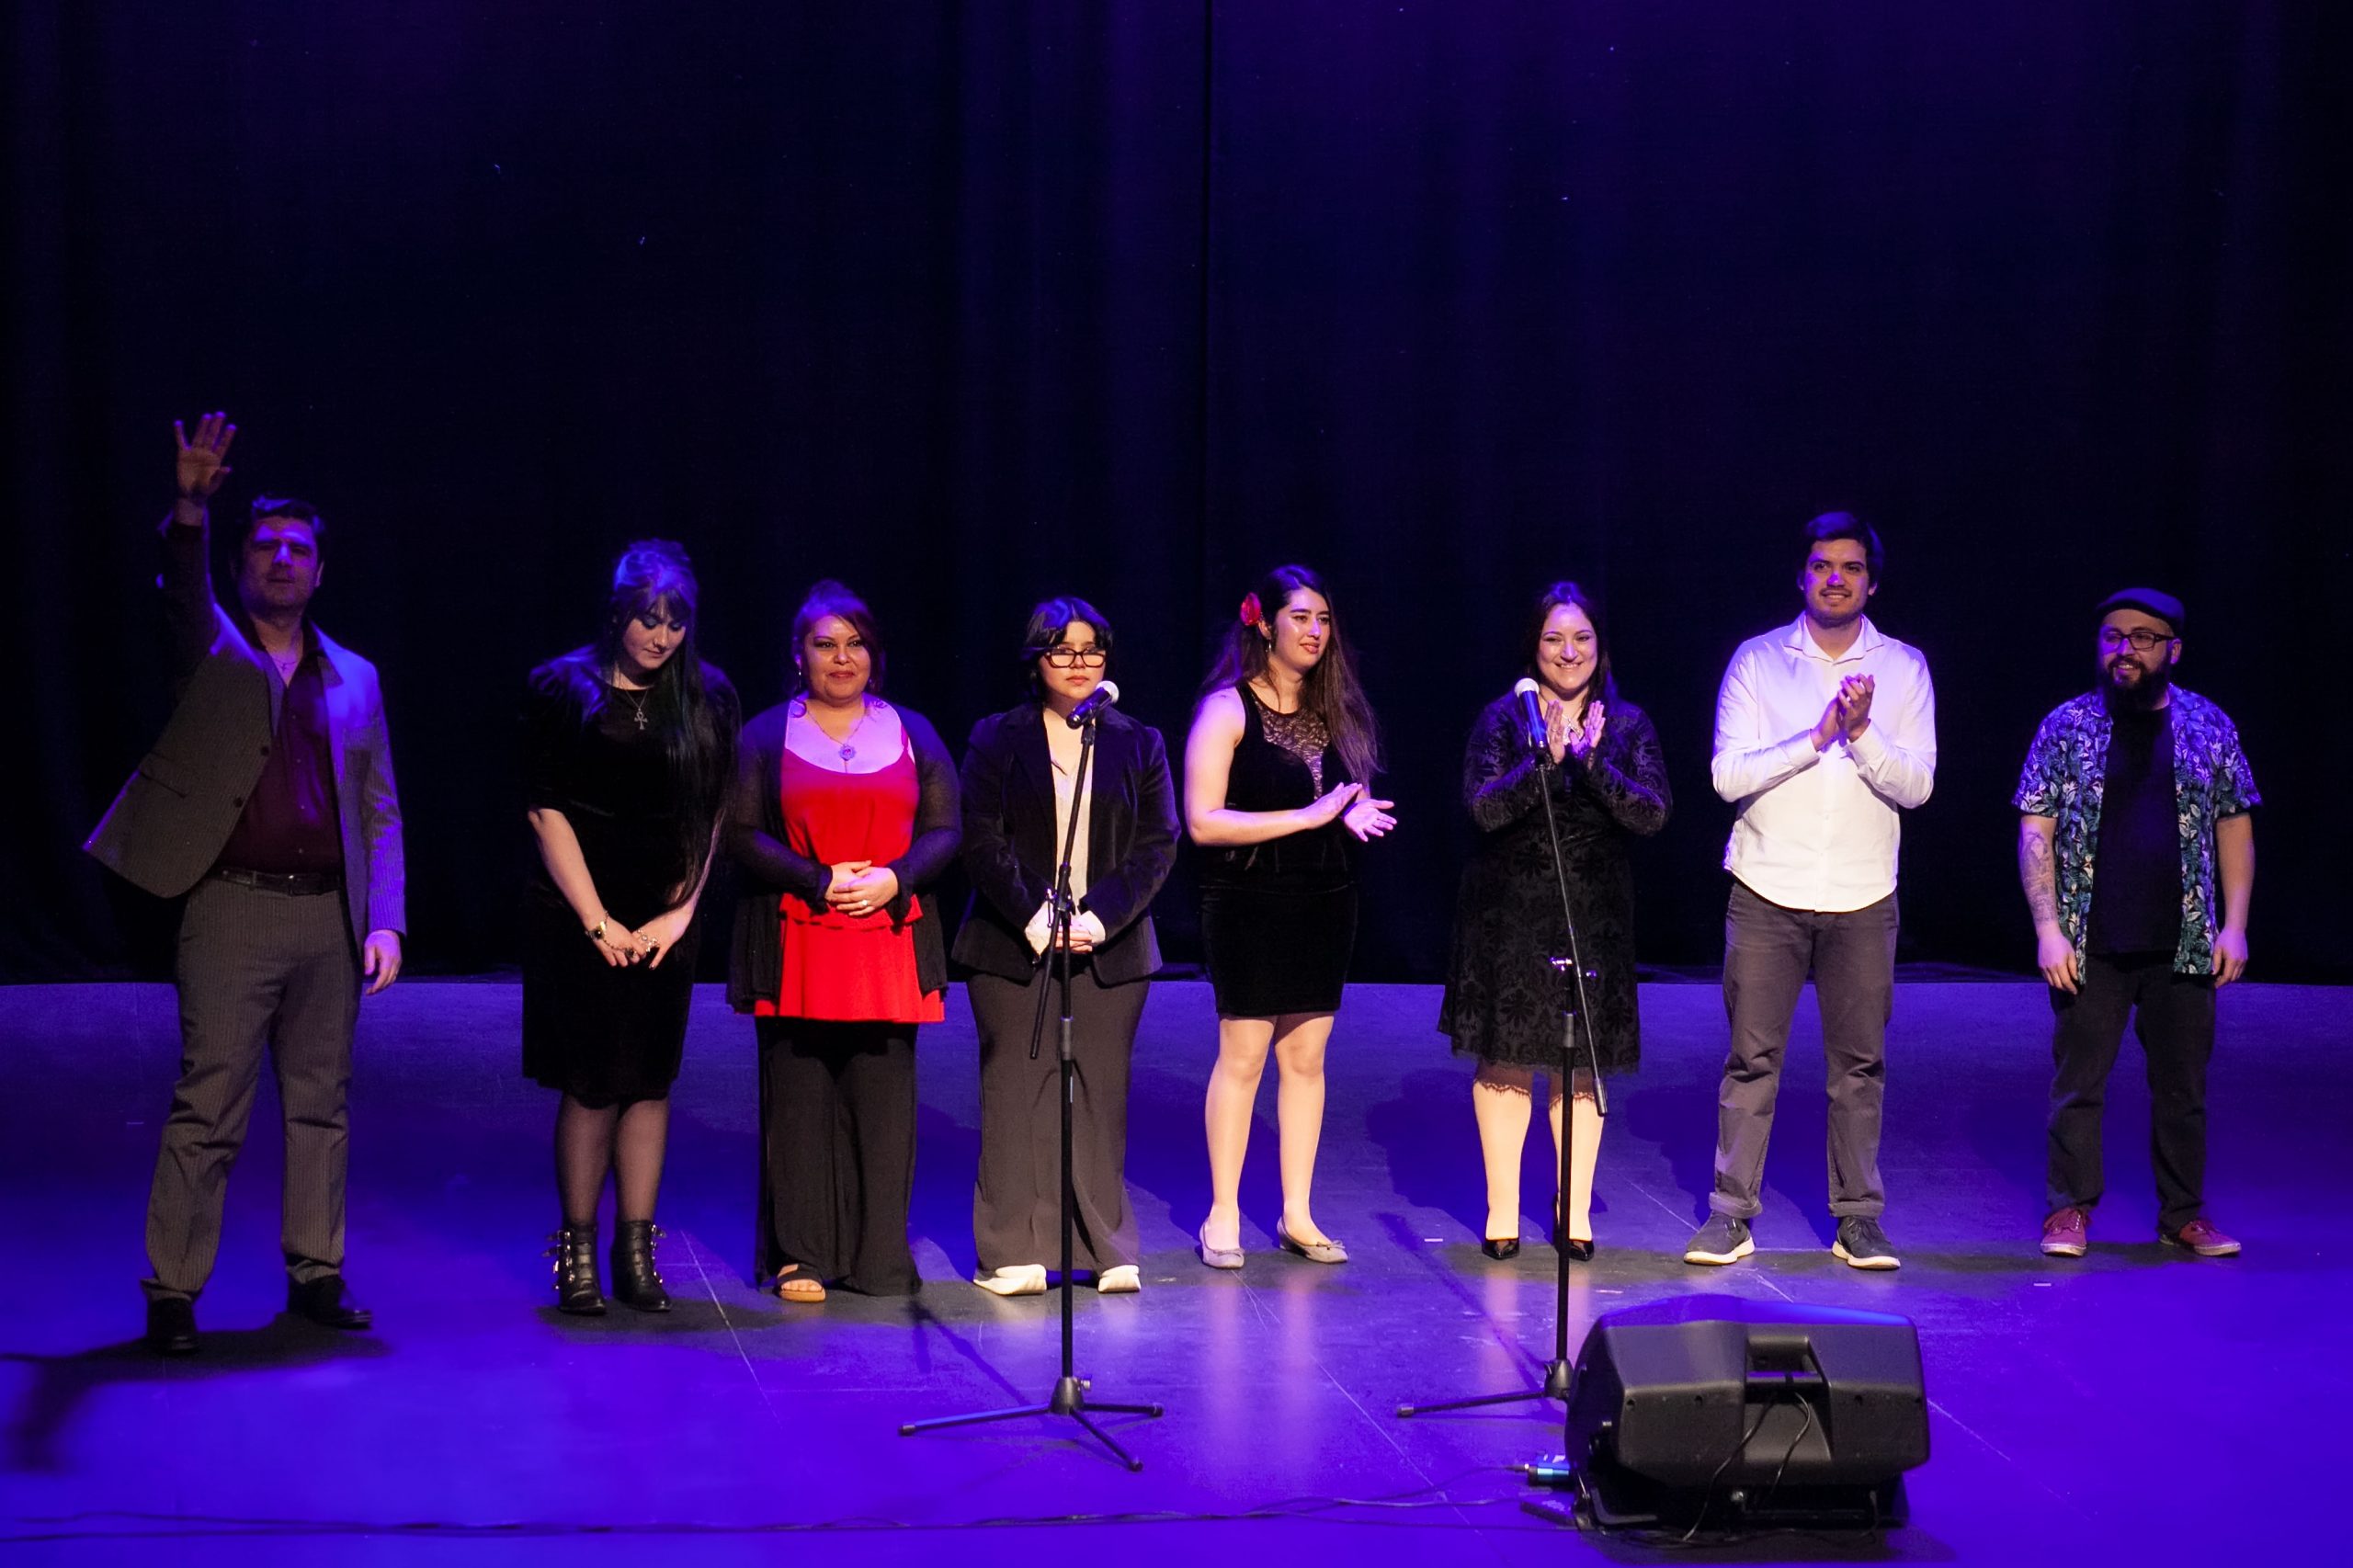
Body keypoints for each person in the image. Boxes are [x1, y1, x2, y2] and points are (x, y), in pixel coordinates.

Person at [85, 414, 404, 1355]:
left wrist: (384, 921)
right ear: (241, 565)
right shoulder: (214, 653)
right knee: (209, 1104)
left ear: (319, 570)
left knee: (321, 1105)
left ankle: (317, 1271)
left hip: (328, 923)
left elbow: (381, 808)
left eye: (298, 549)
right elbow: (179, 595)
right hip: (231, 908)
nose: (280, 558)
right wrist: (189, 508)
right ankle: (173, 1290)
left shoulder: (356, 677)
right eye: (264, 545)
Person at [1684, 512, 1936, 1272]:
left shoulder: (1904, 668)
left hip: (1862, 894)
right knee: (1750, 1059)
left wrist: (1861, 734)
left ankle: (1858, 1218)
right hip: (1768, 887)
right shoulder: (1760, 662)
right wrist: (1818, 736)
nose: (1835, 578)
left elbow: (1919, 786)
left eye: (1851, 567)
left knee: (1859, 1066)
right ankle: (1730, 1214)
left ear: (1871, 581)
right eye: (1822, 565)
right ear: (1802, 576)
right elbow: (1727, 774)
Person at [727, 581, 960, 1302]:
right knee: (798, 1097)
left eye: (855, 643)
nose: (841, 657)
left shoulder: (913, 730)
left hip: (888, 938)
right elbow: (739, 833)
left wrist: (895, 879)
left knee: (884, 1097)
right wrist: (816, 878)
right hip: (801, 934)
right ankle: (801, 1254)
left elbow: (947, 829)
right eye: (825, 644)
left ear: (874, 653)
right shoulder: (767, 734)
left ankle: (878, 1254)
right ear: (799, 655)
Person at [522, 541, 738, 1314]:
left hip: (663, 922)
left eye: (676, 624)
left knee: (649, 1080)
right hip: (580, 912)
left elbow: (715, 811)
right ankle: (576, 1249)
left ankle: (636, 1249)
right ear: (619, 613)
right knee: (592, 1080)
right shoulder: (562, 686)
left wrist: (680, 915)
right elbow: (544, 806)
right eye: (649, 620)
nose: (661, 637)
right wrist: (596, 921)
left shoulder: (708, 696)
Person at [2017, 588, 2256, 1261]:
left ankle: (2182, 1213)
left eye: (2143, 637)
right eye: (2114, 636)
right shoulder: (2066, 726)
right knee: (2078, 1086)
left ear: (2172, 650)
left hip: (2184, 940)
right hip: (2089, 942)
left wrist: (2234, 925)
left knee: (2183, 1088)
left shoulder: (2209, 726)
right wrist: (2047, 929)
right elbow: (2036, 827)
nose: (2126, 649)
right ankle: (2068, 1210)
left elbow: (2234, 823)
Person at [955, 598, 1179, 1296]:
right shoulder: (997, 737)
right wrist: (1035, 913)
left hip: (1108, 944)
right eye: (1062, 650)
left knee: (1099, 1095)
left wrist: (1099, 917)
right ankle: (1012, 1251)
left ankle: (1105, 1247)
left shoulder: (1139, 741)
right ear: (1035, 660)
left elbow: (1157, 843)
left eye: (1091, 650)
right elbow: (981, 839)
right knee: (1017, 1091)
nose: (1079, 663)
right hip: (1014, 939)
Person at [1440, 583, 1671, 1261]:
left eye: (1581, 639)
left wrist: (1592, 765)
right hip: (1507, 913)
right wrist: (1545, 762)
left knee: (1578, 1065)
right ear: (1533, 646)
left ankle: (1574, 1207)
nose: (1568, 652)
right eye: (1553, 639)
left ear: (1600, 647)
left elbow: (1652, 814)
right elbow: (1482, 810)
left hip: (1592, 914)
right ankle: (1502, 1207)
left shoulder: (1626, 724)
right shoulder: (1503, 719)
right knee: (1508, 1055)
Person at [1185, 564, 1395, 1268]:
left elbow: (1335, 796)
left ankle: (1297, 1212)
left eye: (1324, 620)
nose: (1314, 631)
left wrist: (1349, 813)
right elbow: (1203, 823)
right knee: (1243, 1058)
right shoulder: (1228, 709)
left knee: (1306, 1060)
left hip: (1324, 899)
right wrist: (1306, 816)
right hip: (1248, 901)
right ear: (1265, 623)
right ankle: (1222, 1214)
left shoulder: (1338, 708)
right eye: (1301, 617)